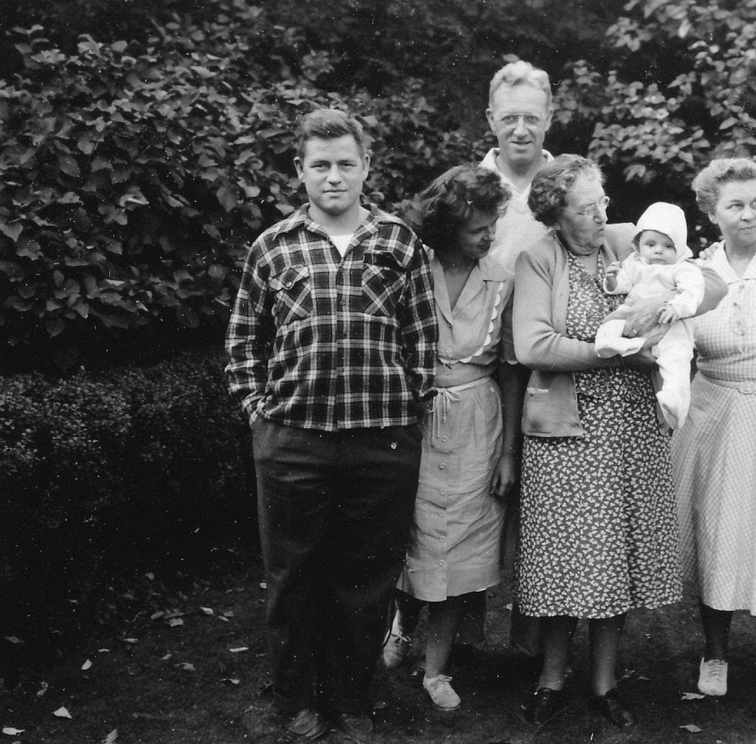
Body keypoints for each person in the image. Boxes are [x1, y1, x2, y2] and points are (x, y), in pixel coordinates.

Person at [224, 109, 437, 741]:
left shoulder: (399, 242)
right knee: (294, 579)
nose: (335, 176)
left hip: (381, 440)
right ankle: (297, 699)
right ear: (301, 172)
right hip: (293, 440)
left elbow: (422, 339)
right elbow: (243, 341)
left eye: (347, 163)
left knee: (366, 579)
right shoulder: (273, 246)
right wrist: (258, 412)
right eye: (321, 165)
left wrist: (412, 404)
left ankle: (351, 698)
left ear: (366, 167)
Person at [511, 154, 684, 728]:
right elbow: (534, 346)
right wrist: (608, 351)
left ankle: (606, 682)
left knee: (617, 556)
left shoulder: (624, 240)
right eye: (588, 209)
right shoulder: (538, 259)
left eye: (603, 201)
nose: (604, 215)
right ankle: (551, 679)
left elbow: (704, 276)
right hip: (567, 431)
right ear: (556, 215)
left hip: (629, 427)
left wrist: (671, 303)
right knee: (563, 558)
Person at [671, 158, 756, 699]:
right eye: (735, 205)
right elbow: (677, 344)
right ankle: (716, 652)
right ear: (712, 212)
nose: (748, 215)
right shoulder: (695, 273)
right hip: (713, 413)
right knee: (716, 531)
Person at [393, 165, 522, 711]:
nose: (489, 235)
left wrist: (509, 451)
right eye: (477, 227)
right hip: (416, 419)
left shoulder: (501, 279)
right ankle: (400, 627)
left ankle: (437, 669)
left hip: (477, 424)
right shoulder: (409, 271)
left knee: (461, 547)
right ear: (447, 226)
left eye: (493, 223)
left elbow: (511, 369)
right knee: (413, 539)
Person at [595, 202, 705, 430]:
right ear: (638, 244)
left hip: (670, 325)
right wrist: (612, 280)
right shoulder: (635, 264)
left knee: (676, 361)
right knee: (612, 322)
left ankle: (674, 402)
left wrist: (676, 307)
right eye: (651, 244)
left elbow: (693, 292)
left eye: (668, 246)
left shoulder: (682, 269)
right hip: (634, 315)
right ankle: (609, 344)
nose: (658, 251)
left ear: (679, 249)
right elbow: (623, 284)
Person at [480, 60, 555, 273]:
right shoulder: (464, 190)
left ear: (548, 119)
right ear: (492, 119)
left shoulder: (573, 189)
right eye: (509, 118)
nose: (520, 131)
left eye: (531, 118)